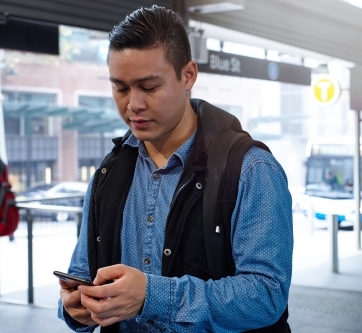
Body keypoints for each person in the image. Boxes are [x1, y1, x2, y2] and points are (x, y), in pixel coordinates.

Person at [57, 5, 293, 333]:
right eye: (120, 88)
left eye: (149, 87)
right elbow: (83, 270)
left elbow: (267, 295)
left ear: (188, 75)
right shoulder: (108, 173)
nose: (133, 104)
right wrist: (76, 308)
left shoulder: (251, 170)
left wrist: (152, 295)